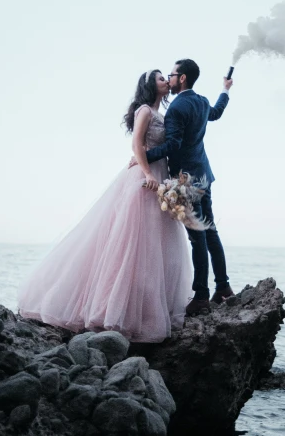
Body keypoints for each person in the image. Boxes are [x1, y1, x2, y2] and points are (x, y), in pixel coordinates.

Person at [18, 69, 192, 343]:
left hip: (161, 177)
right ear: (150, 86)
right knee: (132, 245)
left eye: (165, 77)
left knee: (156, 247)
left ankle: (147, 313)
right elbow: (137, 144)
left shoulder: (164, 114)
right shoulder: (144, 110)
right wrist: (147, 174)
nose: (165, 81)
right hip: (145, 177)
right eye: (160, 78)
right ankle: (113, 313)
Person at [142, 58, 234, 315]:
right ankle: (224, 287)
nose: (169, 79)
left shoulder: (176, 109)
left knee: (198, 237)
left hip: (187, 180)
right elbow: (216, 112)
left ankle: (202, 296)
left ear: (182, 78)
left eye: (171, 75)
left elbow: (173, 145)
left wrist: (142, 156)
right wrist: (225, 90)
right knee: (211, 231)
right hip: (205, 175)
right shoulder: (202, 101)